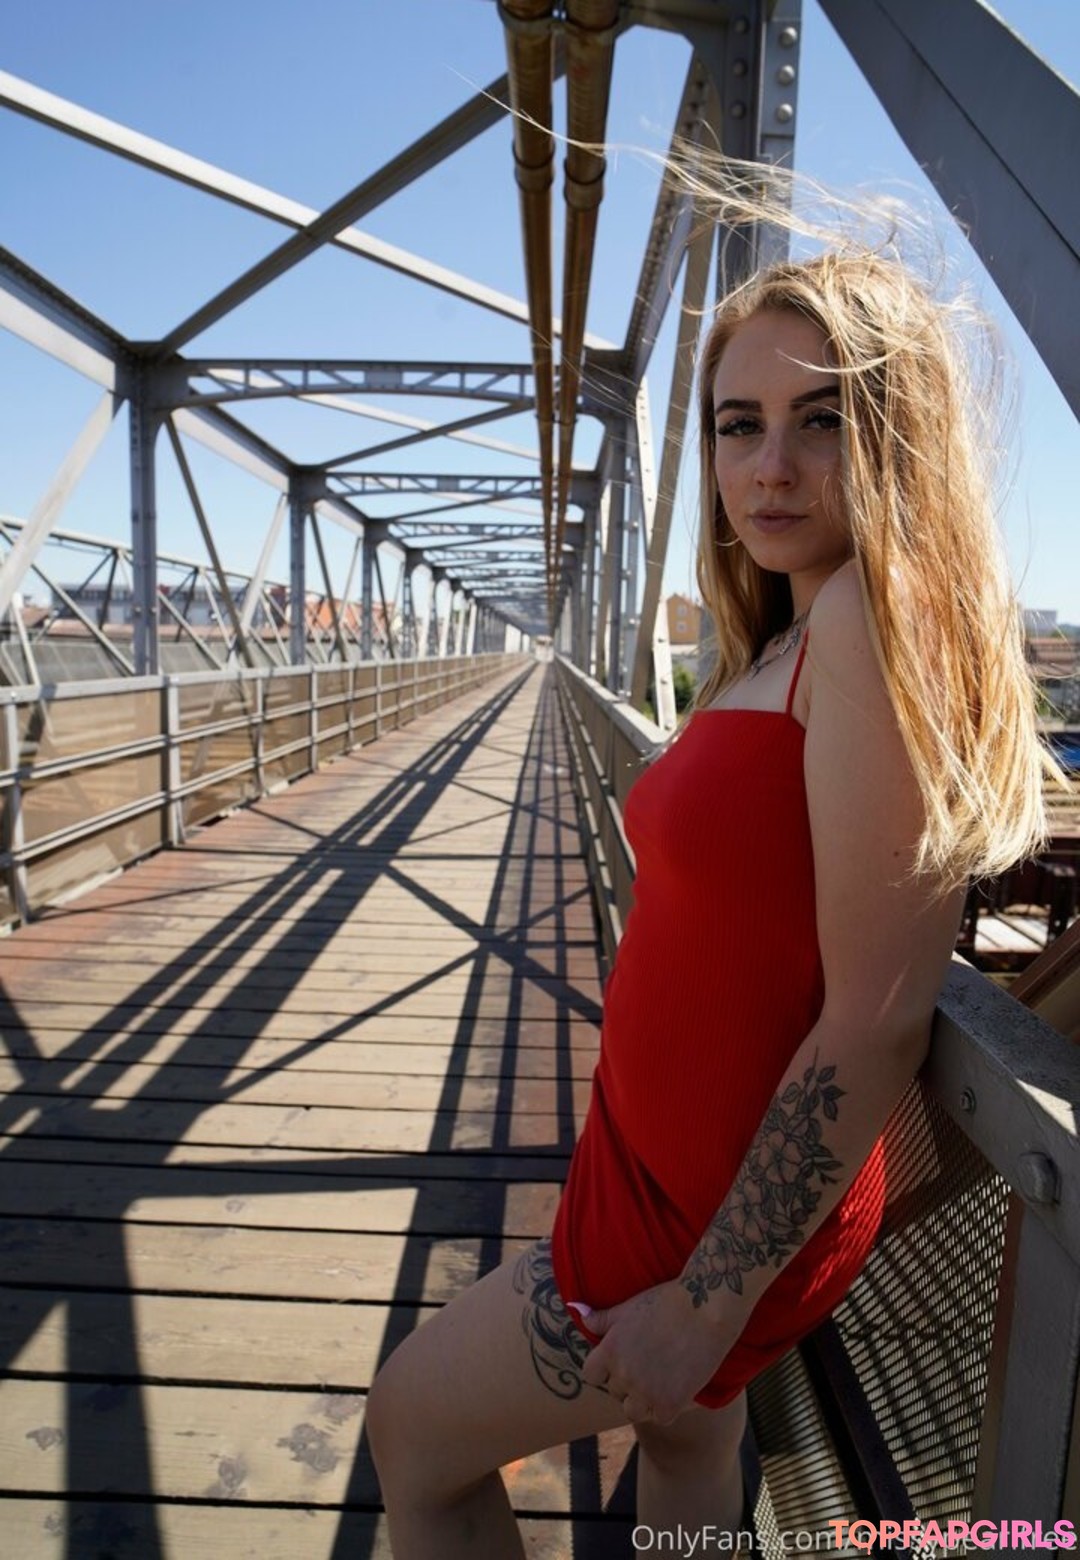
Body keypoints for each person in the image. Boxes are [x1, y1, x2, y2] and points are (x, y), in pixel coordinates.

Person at [365, 204, 1054, 1558]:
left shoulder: (864, 620)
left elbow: (878, 1018)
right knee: (691, 1451)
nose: (770, 467)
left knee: (412, 1433)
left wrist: (703, 1304)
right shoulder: (783, 639)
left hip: (701, 1222)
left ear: (901, 438)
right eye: (739, 426)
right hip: (672, 1165)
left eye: (824, 421)